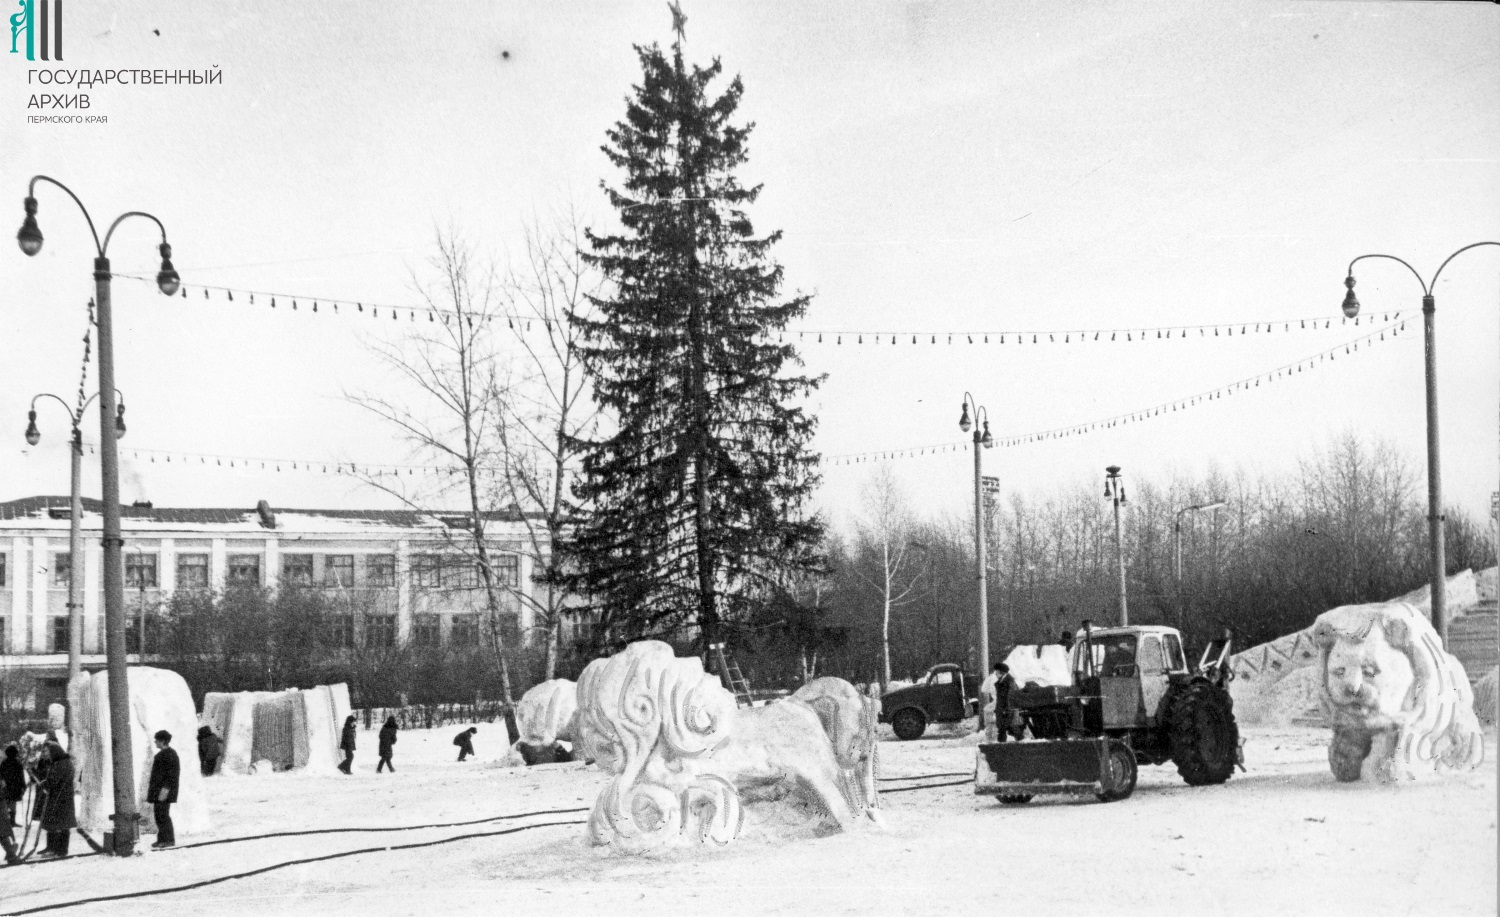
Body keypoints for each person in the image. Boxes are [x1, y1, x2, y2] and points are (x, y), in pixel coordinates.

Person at [36, 743, 75, 859]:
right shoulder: (58, 762)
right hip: (58, 797)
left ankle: (60, 850)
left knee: (61, 824)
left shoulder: (62, 763)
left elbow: (54, 780)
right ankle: (52, 847)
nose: (45, 754)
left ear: (54, 751)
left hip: (61, 799)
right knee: (53, 822)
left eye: (47, 751)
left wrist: (45, 784)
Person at [147, 730, 180, 849]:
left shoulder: (169, 755)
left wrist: (164, 791)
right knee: (159, 815)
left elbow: (171, 776)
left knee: (163, 815)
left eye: (157, 740)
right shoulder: (164, 754)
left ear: (163, 741)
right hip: (159, 791)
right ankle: (162, 839)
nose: (155, 741)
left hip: (163, 791)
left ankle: (169, 839)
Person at [1, 744, 24, 829]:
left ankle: (8, 822)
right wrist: (23, 786)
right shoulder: (17, 763)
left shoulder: (4, 762)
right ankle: (11, 822)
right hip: (14, 787)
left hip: (7, 787)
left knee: (7, 804)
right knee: (12, 804)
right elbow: (21, 776)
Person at [994, 663, 1019, 742]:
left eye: (997, 672)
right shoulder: (1002, 681)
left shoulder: (1009, 682)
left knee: (1011, 727)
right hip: (1002, 709)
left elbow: (1010, 697)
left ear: (1002, 672)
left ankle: (1022, 742)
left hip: (1007, 710)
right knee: (1003, 729)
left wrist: (1007, 709)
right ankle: (1001, 747)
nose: (995, 673)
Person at [978, 662, 1004, 736]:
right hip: (1003, 702)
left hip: (998, 702)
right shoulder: (1007, 677)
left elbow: (984, 689)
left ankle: (990, 733)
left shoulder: (991, 678)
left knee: (988, 712)